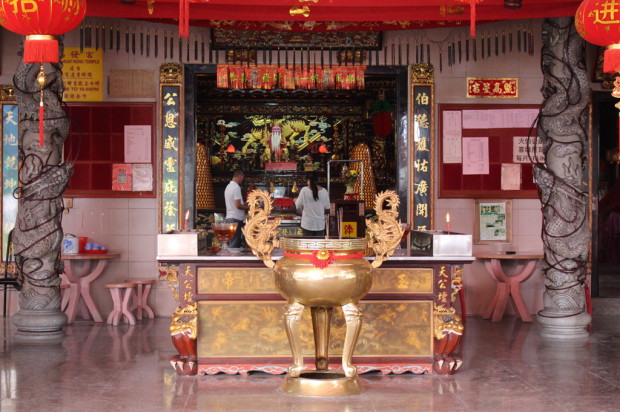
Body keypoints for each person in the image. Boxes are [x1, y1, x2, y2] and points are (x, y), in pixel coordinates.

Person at [295, 172, 331, 237]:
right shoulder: (324, 191)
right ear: (317, 180)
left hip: (307, 224)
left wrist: (295, 200)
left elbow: (298, 205)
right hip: (319, 225)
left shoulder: (304, 190)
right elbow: (327, 206)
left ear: (308, 180)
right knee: (318, 246)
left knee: (307, 246)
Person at [224, 170, 249, 248]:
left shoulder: (228, 187)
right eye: (242, 178)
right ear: (239, 176)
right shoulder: (236, 187)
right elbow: (238, 205)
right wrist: (249, 208)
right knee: (234, 244)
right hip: (235, 219)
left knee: (231, 243)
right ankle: (232, 260)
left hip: (230, 217)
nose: (242, 180)